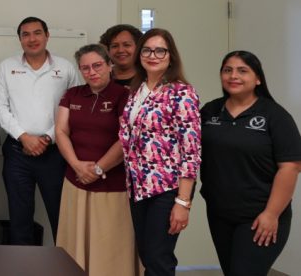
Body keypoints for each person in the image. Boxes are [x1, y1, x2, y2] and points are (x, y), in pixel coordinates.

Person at [200, 51, 301, 276]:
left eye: (242, 70)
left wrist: (271, 214)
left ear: (258, 79)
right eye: (227, 70)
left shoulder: (275, 116)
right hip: (219, 214)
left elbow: (291, 167)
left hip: (259, 216)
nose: (233, 76)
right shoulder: (210, 111)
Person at [0, 16, 79, 245]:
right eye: (25, 34)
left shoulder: (65, 67)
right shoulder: (7, 67)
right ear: (19, 40)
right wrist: (24, 137)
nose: (32, 39)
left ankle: (65, 267)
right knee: (20, 218)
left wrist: (48, 137)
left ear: (47, 35)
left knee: (61, 215)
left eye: (37, 33)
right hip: (18, 151)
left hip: (56, 151)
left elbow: (73, 107)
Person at [119, 28, 200, 276]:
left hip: (167, 189)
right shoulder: (137, 91)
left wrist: (183, 202)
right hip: (138, 187)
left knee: (159, 258)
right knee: (148, 256)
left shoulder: (182, 93)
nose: (152, 55)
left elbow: (191, 152)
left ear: (170, 55)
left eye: (160, 50)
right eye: (146, 49)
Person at [55, 44, 137, 275]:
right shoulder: (72, 94)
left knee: (110, 247)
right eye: (85, 68)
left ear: (110, 65)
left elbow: (126, 138)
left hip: (113, 186)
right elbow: (61, 132)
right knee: (74, 245)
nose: (92, 72)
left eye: (97, 65)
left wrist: (99, 169)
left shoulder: (125, 95)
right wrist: (77, 166)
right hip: (75, 182)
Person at [99, 24, 143, 88]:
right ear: (108, 50)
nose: (120, 50)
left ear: (138, 47)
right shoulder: (100, 76)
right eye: (115, 46)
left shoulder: (147, 77)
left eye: (127, 45)